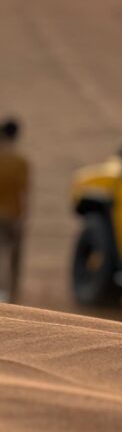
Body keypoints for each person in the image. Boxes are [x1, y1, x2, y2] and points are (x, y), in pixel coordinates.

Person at [0, 116, 29, 303]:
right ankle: (12, 299)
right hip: (14, 215)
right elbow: (25, 193)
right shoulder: (21, 162)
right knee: (14, 260)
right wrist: (23, 218)